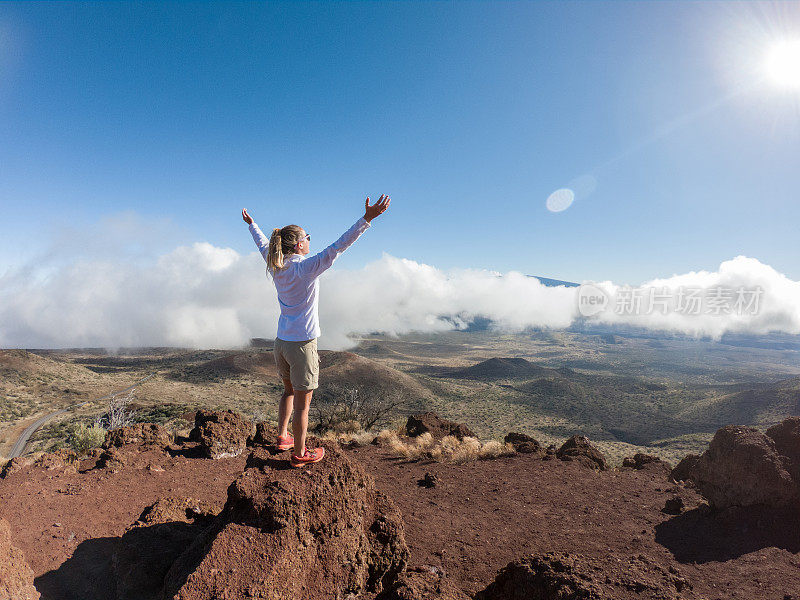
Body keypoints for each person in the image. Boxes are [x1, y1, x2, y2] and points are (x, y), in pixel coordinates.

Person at [242, 195, 391, 466]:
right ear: (299, 244)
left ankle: (283, 436)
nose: (311, 240)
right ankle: (300, 454)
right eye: (308, 237)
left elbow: (263, 244)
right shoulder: (306, 268)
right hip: (302, 345)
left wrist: (252, 225)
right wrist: (367, 219)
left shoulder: (275, 264)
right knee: (303, 405)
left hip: (282, 343)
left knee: (288, 392)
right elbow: (339, 246)